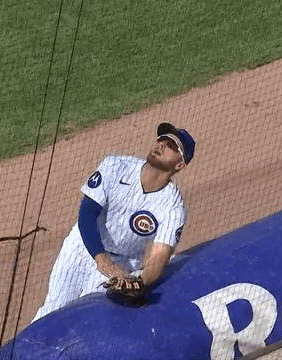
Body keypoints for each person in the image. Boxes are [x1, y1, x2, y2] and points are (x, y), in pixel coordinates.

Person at [32, 123, 196, 323]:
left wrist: (139, 283)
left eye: (171, 145)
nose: (161, 144)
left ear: (180, 164)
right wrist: (103, 261)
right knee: (53, 310)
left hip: (123, 265)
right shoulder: (115, 166)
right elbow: (87, 215)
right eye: (162, 139)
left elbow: (158, 258)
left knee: (88, 322)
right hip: (82, 248)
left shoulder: (172, 207)